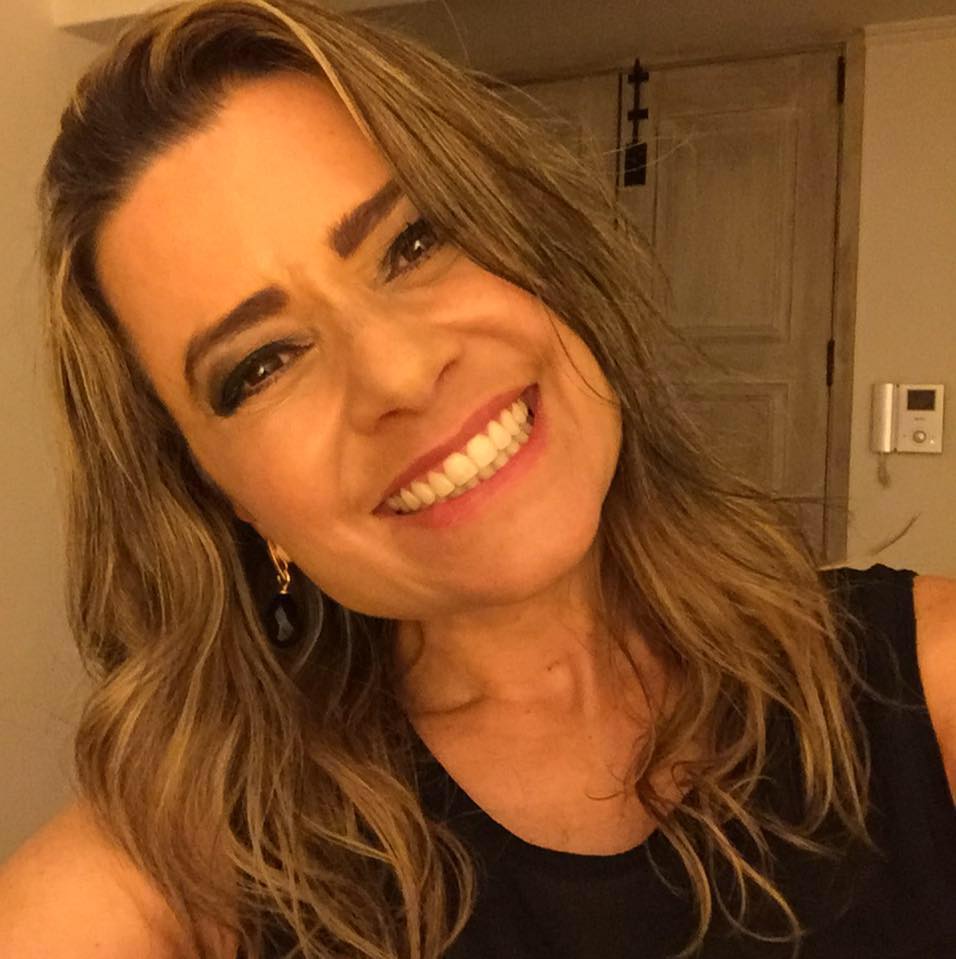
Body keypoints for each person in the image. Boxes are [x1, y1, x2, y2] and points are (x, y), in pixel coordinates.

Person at [1, 0, 954, 956]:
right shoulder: (174, 877)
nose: (401, 373)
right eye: (262, 364)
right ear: (224, 496)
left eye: (412, 244)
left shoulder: (927, 684)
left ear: (538, 251)